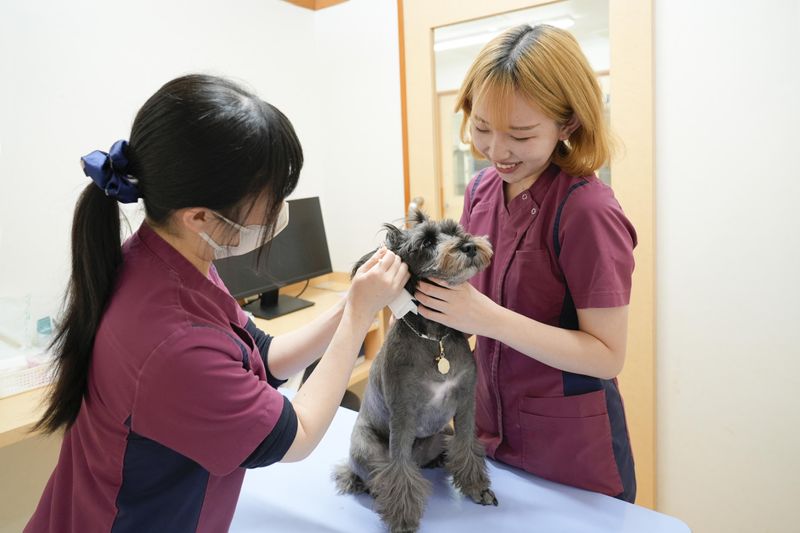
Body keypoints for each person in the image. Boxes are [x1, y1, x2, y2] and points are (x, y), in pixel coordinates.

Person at [26, 74, 409, 532]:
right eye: (270, 199)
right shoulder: (171, 343)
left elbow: (261, 357)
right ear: (200, 216)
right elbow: (299, 436)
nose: (279, 209)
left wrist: (351, 301)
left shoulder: (167, 258)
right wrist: (361, 317)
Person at [414, 24, 638, 502]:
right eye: (481, 128)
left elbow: (607, 355)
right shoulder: (480, 191)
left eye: (520, 134)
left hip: (568, 450)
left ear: (568, 123)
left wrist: (486, 318)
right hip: (486, 428)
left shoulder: (586, 210)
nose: (496, 151)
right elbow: (463, 292)